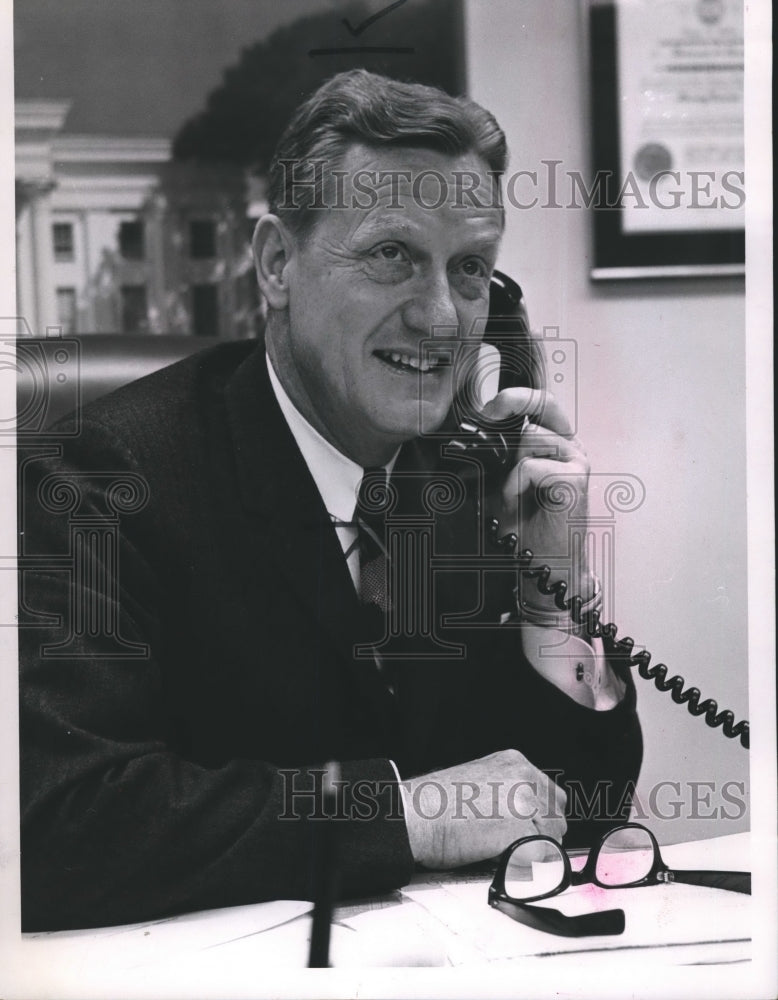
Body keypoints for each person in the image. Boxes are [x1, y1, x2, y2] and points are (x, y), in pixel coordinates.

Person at [18, 70, 642, 931]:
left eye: (468, 271)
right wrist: (400, 813)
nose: (439, 318)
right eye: (392, 256)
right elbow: (60, 823)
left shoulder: (465, 482)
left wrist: (553, 611)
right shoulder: (101, 478)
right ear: (277, 262)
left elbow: (585, 814)